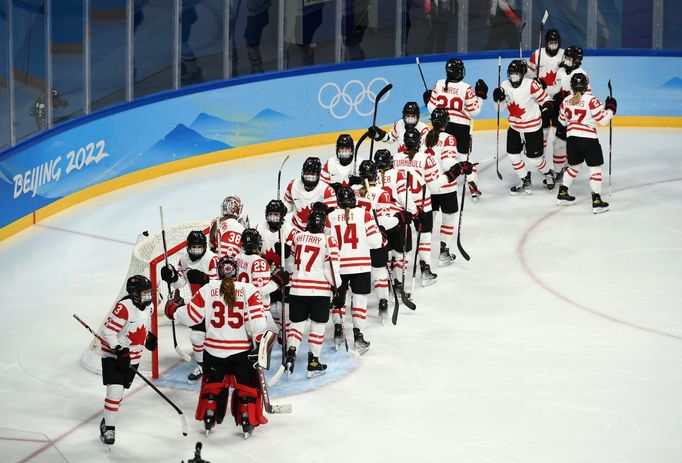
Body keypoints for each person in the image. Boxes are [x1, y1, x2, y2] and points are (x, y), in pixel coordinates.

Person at [164, 256, 273, 438]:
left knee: (213, 385)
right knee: (246, 388)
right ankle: (246, 418)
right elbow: (258, 325)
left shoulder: (208, 289)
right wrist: (260, 345)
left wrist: (173, 310)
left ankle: (210, 414)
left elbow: (190, 316)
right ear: (236, 272)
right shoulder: (249, 289)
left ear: (219, 271)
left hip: (213, 351)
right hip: (241, 353)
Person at [99, 275, 156, 446]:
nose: (148, 295)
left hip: (134, 357)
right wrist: (118, 349)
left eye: (148, 292)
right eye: (144, 292)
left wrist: (148, 338)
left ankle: (107, 418)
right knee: (114, 393)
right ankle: (109, 429)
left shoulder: (149, 307)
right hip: (115, 357)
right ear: (134, 293)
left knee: (119, 394)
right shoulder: (124, 308)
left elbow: (141, 326)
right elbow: (107, 332)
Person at [284, 208, 341, 377]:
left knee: (296, 324)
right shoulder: (328, 240)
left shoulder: (298, 237)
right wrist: (338, 287)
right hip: (319, 292)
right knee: (317, 327)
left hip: (297, 289)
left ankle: (291, 353)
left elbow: (290, 263)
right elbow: (331, 270)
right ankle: (314, 362)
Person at [327, 187, 382, 352]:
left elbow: (326, 243)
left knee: (339, 301)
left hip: (338, 267)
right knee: (359, 301)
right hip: (361, 265)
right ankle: (358, 337)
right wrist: (381, 234)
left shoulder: (330, 217)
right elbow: (375, 242)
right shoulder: (364, 214)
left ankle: (338, 330)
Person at [357, 159, 413, 321]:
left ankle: (354, 301)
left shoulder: (352, 191)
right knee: (379, 270)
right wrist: (400, 219)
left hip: (358, 240)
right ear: (376, 176)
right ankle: (383, 302)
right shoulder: (382, 193)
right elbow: (383, 222)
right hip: (374, 237)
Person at [424, 58, 487, 200]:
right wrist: (480, 96)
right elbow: (474, 111)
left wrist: (429, 99)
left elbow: (431, 108)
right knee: (465, 159)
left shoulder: (439, 84)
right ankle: (472, 185)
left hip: (442, 125)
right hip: (461, 127)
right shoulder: (466, 88)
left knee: (440, 155)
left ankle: (435, 181)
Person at [160, 231, 218, 382]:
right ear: (188, 247)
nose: (196, 250)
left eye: (199, 247)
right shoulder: (184, 259)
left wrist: (203, 278)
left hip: (215, 305)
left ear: (205, 247)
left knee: (216, 337)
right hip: (198, 304)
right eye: (193, 247)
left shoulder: (212, 259)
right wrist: (171, 277)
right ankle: (202, 366)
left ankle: (219, 366)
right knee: (196, 336)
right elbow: (181, 283)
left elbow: (218, 286)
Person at [492, 59, 557, 195]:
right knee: (512, 156)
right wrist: (497, 99)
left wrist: (548, 106)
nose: (513, 76)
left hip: (532, 128)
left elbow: (545, 99)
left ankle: (548, 172)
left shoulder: (531, 85)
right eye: (511, 73)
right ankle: (524, 179)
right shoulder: (504, 85)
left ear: (522, 74)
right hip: (515, 128)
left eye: (516, 73)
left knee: (535, 160)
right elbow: (499, 109)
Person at [556, 73, 616, 214]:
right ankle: (596, 201)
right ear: (586, 85)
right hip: (588, 139)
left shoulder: (566, 101)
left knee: (574, 166)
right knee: (595, 168)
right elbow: (603, 120)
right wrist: (611, 109)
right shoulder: (591, 100)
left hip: (571, 139)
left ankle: (563, 193)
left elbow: (562, 122)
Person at [373, 149, 417, 294]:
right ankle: (398, 284)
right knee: (401, 254)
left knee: (387, 252)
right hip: (397, 219)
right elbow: (406, 196)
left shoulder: (370, 178)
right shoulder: (398, 174)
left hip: (379, 221)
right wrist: (414, 213)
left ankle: (385, 284)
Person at [255, 199, 298, 336]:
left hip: (287, 276)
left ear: (282, 216)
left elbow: (299, 254)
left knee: (286, 309)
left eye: (276, 215)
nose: (272, 218)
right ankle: (281, 330)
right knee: (273, 307)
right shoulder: (259, 228)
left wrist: (288, 251)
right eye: (270, 214)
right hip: (269, 276)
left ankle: (287, 332)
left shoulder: (290, 231)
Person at [423, 108, 460, 265]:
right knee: (448, 219)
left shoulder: (424, 136)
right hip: (446, 186)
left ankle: (423, 259)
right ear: (447, 121)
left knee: (428, 223)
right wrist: (462, 166)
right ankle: (444, 254)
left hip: (429, 186)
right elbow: (447, 164)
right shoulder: (449, 138)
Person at [527, 29, 565, 175]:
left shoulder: (563, 55)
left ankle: (560, 166)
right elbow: (529, 75)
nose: (553, 45)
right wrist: (532, 79)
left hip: (557, 99)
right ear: (546, 43)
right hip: (540, 99)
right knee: (542, 131)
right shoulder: (536, 54)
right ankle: (541, 161)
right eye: (551, 43)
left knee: (559, 135)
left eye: (555, 43)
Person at [235, 228, 290, 326]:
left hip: (240, 306)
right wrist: (277, 281)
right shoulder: (259, 262)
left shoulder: (237, 257)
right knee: (270, 334)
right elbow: (259, 290)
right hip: (258, 310)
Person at [550, 46, 591, 177]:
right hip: (562, 114)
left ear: (577, 61)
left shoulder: (581, 74)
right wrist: (545, 89)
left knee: (572, 146)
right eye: (565, 57)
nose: (566, 60)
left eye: (569, 58)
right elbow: (555, 90)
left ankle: (567, 169)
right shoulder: (560, 71)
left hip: (575, 117)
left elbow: (585, 97)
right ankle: (557, 172)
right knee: (558, 143)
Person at [284, 157, 338, 231]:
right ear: (303, 173)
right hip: (297, 231)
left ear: (319, 175)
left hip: (318, 234)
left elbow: (333, 216)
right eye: (307, 173)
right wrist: (283, 209)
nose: (310, 177)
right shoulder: (293, 185)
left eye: (313, 174)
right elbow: (288, 202)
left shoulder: (327, 190)